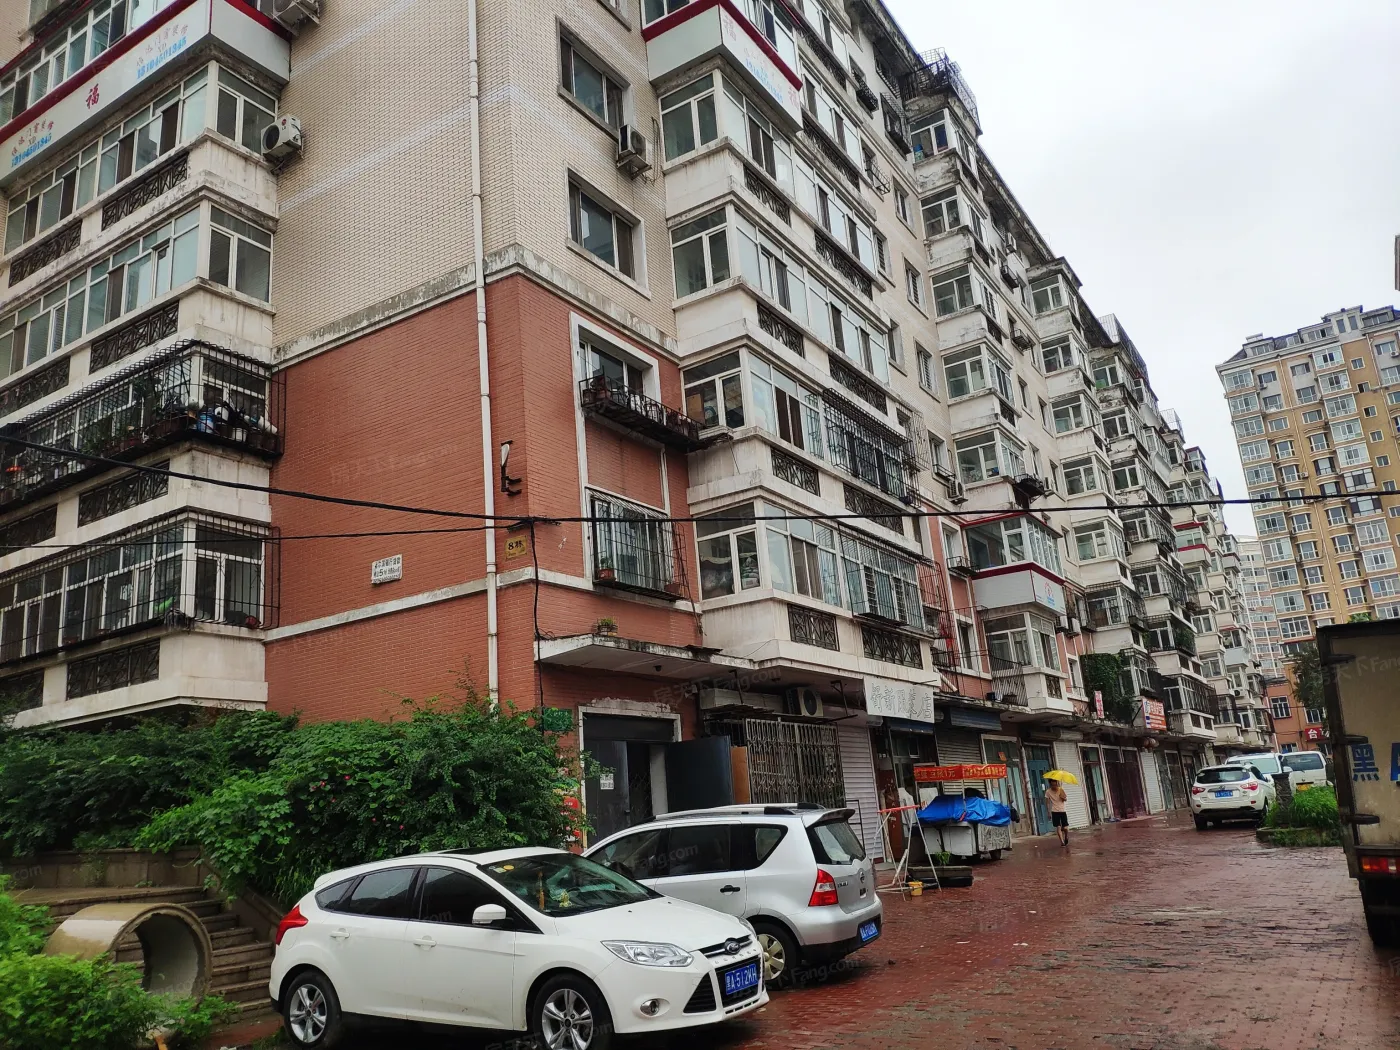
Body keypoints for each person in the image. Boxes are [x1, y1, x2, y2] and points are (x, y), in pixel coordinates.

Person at [1045, 777, 1070, 847]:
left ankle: (1066, 836)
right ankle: (1062, 842)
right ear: (1050, 784)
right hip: (1054, 811)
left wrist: (1062, 797)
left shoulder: (1060, 789)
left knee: (1065, 828)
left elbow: (1065, 799)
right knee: (1058, 827)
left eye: (1055, 785)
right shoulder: (1048, 792)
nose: (1054, 786)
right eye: (1052, 785)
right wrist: (1048, 812)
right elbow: (1047, 803)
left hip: (1062, 810)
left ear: (1057, 784)